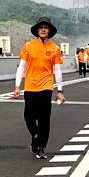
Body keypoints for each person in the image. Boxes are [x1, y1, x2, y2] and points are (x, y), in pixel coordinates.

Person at [14, 17, 65, 159]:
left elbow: (57, 70)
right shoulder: (28, 46)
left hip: (46, 87)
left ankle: (42, 147)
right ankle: (35, 136)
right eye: (41, 27)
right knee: (28, 117)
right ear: (37, 30)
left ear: (49, 30)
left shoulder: (55, 49)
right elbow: (22, 66)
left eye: (46, 27)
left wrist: (60, 91)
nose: (43, 29)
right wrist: (17, 86)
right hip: (30, 86)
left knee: (44, 118)